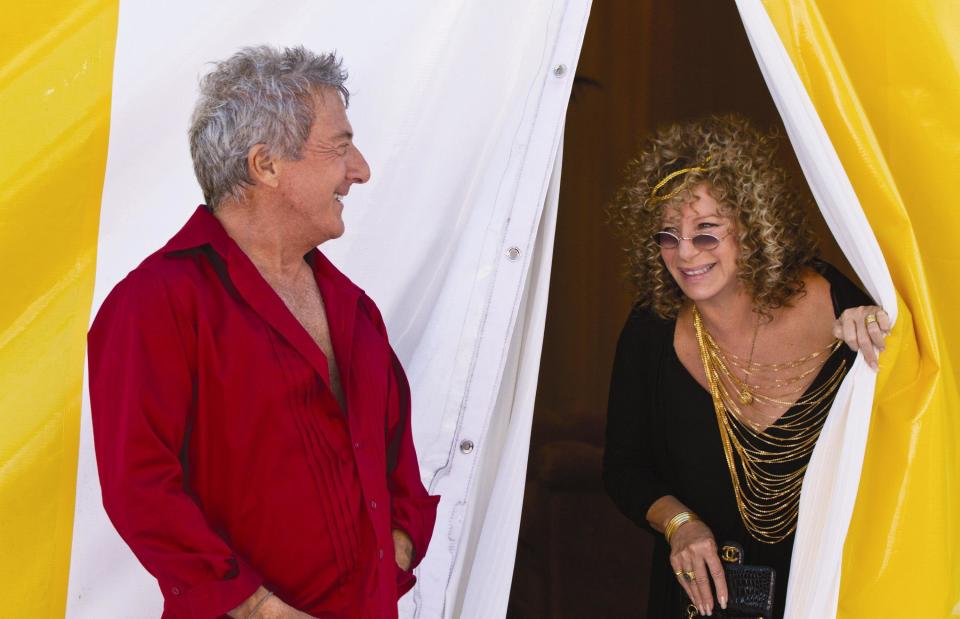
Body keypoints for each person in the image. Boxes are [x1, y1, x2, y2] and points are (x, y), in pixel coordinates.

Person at [88, 46, 440, 619]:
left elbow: (396, 459)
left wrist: (395, 552)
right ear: (266, 164)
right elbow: (140, 488)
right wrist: (259, 610)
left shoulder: (355, 310)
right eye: (340, 146)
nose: (361, 170)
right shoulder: (155, 304)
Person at [602, 115, 890, 618]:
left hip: (827, 592)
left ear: (752, 228)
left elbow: (906, 424)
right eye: (668, 236)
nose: (685, 253)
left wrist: (885, 335)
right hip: (699, 602)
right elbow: (624, 468)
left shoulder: (839, 301)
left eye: (706, 232)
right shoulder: (652, 328)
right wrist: (679, 525)